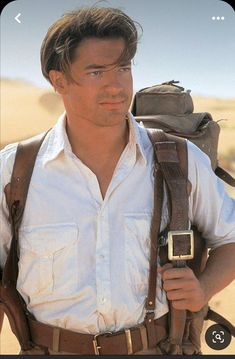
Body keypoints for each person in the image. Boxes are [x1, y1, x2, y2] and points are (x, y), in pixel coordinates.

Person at [0, 6, 235, 355]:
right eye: (96, 72)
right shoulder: (16, 169)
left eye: (123, 68)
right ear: (58, 80)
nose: (116, 85)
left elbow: (230, 238)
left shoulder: (180, 160)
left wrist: (202, 288)